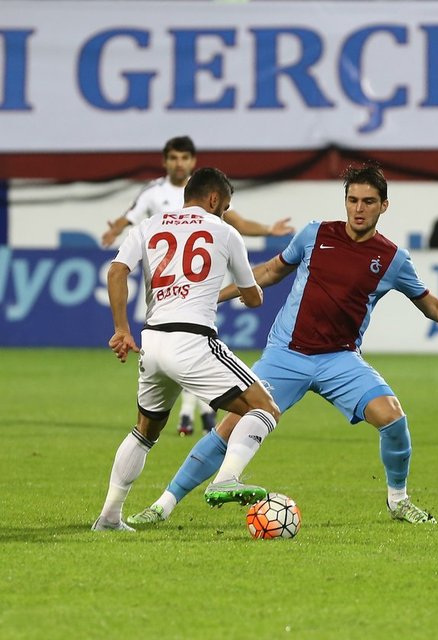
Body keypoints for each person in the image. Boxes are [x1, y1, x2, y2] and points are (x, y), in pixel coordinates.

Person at [128, 163, 438, 528]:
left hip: (339, 359)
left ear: (384, 206)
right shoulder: (315, 234)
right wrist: (216, 296)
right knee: (231, 427)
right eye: (353, 200)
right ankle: (163, 505)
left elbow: (432, 306)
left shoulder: (392, 258)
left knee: (392, 417)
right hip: (285, 355)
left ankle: (398, 500)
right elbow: (270, 271)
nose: (359, 209)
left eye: (368, 202)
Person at [92, 167, 280, 531]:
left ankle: (110, 516)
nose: (225, 212)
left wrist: (121, 329)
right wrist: (251, 293)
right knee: (265, 408)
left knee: (144, 432)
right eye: (225, 206)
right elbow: (254, 296)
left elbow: (116, 272)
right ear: (214, 199)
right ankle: (226, 478)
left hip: (153, 342)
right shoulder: (225, 232)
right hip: (193, 341)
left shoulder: (148, 226)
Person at [101, 135, 294, 436]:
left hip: (157, 327)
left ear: (192, 162)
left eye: (184, 158)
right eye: (174, 157)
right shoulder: (160, 195)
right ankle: (205, 426)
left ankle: (192, 415)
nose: (179, 163)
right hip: (184, 310)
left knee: (144, 432)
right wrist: (115, 227)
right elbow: (128, 216)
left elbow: (118, 265)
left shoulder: (166, 214)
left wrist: (121, 328)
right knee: (259, 406)